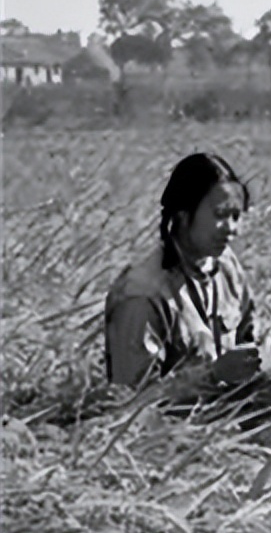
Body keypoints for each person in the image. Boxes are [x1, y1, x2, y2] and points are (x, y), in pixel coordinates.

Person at [105, 152, 260, 387]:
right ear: (183, 214)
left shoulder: (227, 266)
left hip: (229, 415)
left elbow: (249, 334)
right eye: (220, 215)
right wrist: (212, 376)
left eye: (236, 216)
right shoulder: (142, 294)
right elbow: (132, 401)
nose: (232, 229)